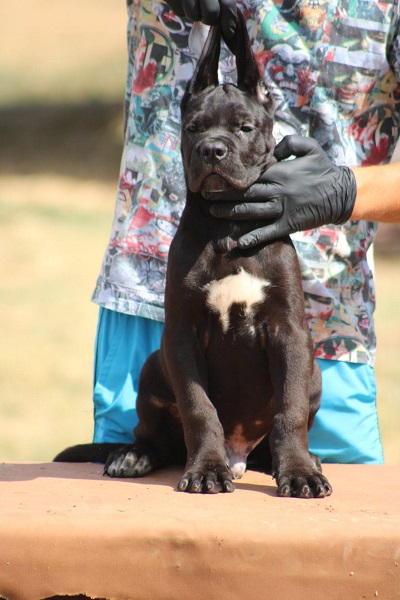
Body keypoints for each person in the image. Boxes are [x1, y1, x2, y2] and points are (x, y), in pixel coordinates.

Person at [91, 0, 400, 465]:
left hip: (328, 334)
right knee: (132, 523)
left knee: (330, 530)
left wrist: (346, 191)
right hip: (151, 310)